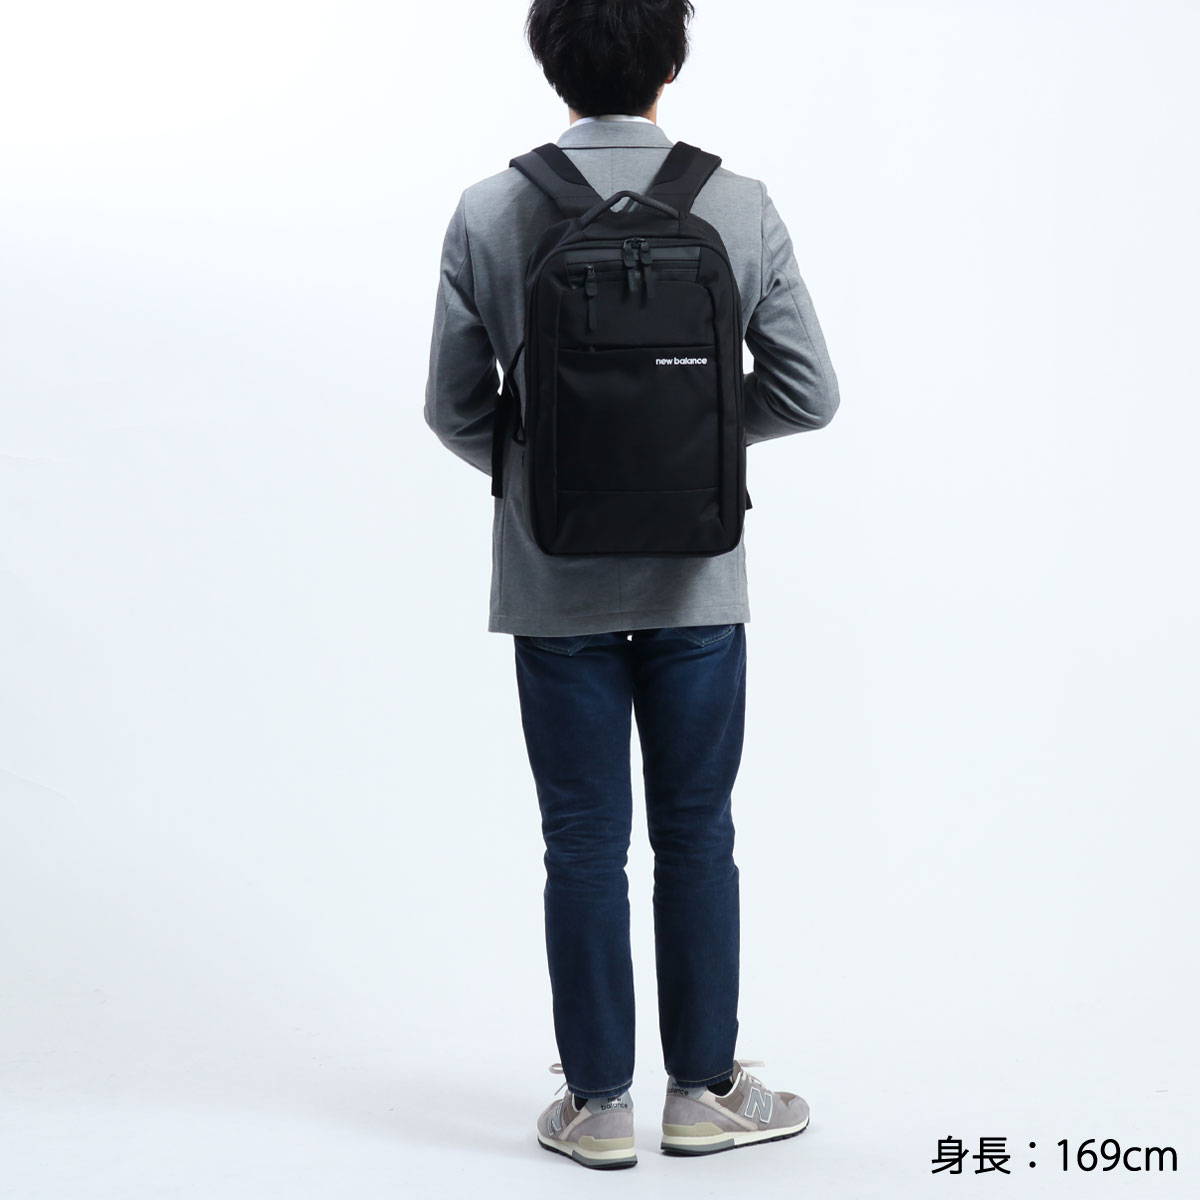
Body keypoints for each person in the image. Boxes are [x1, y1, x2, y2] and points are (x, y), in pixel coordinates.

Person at [424, 0, 840, 1170]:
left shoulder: (490, 208)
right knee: (697, 834)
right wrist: (691, 446)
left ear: (550, 64)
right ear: (672, 62)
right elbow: (809, 393)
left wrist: (552, 469)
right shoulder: (735, 202)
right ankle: (704, 1093)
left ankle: (599, 1106)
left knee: (581, 843)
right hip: (696, 581)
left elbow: (452, 408)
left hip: (551, 579)